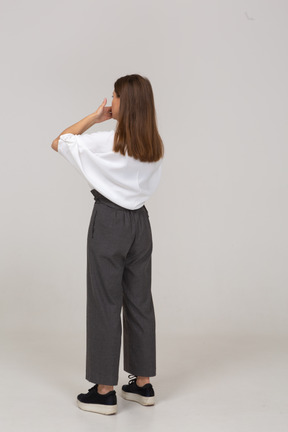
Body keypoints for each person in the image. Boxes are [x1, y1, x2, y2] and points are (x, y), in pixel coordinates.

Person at [51, 74, 164, 415]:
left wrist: (95, 116)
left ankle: (104, 391)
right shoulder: (154, 144)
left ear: (124, 104)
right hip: (140, 225)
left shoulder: (107, 140)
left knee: (105, 302)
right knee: (140, 301)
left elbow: (60, 141)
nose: (109, 100)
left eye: (113, 97)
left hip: (111, 222)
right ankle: (142, 384)